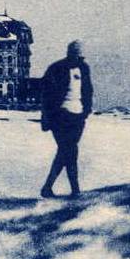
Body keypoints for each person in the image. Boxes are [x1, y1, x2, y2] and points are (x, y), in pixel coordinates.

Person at [39, 40, 93, 198]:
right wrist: (47, 117)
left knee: (67, 151)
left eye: (81, 57)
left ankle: (48, 188)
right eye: (76, 56)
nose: (79, 60)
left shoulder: (84, 68)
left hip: (78, 115)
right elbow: (46, 94)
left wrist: (86, 111)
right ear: (70, 54)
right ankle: (74, 190)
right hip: (60, 114)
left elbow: (88, 90)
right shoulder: (56, 68)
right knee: (69, 150)